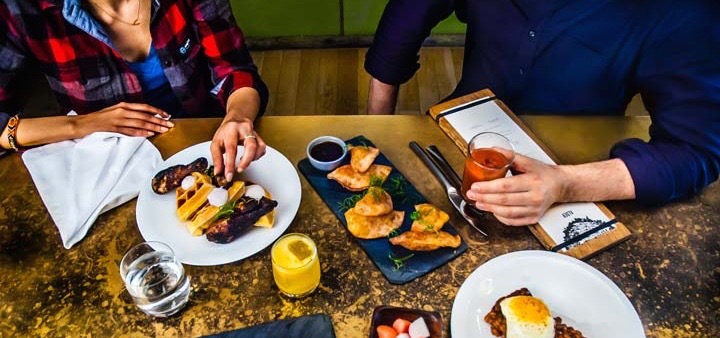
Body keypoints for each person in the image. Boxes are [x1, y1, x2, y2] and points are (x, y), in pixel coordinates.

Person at [365, 0, 720, 225]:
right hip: (459, 136)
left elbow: (695, 151)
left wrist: (567, 184)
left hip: (577, 169)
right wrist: (376, 131)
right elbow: (404, 21)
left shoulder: (685, 11)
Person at [0, 0, 268, 182]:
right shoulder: (19, 10)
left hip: (207, 146)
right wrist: (79, 125)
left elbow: (234, 69)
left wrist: (237, 117)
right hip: (108, 171)